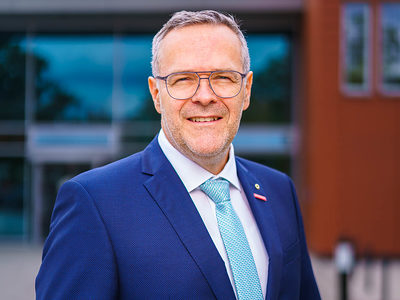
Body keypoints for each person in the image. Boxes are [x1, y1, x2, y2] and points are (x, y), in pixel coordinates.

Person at [36, 10, 321, 300]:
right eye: (183, 79)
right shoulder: (95, 203)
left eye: (223, 77)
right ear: (157, 94)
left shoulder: (279, 190)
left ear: (246, 90)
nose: (205, 96)